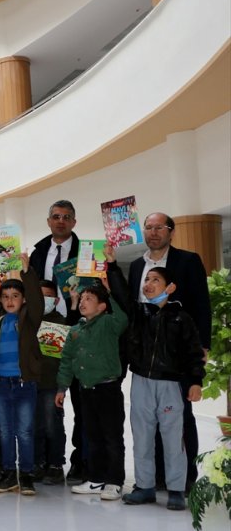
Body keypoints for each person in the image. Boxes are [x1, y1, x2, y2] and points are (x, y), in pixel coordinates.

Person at [127, 212, 212, 488]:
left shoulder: (187, 261)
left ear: (170, 231)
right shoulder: (137, 265)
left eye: (159, 227)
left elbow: (201, 304)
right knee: (148, 420)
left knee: (180, 418)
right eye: (148, 228)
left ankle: (184, 479)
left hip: (177, 353)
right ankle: (156, 479)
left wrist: (202, 345)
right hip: (145, 356)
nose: (153, 232)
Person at [114, 264, 205, 511]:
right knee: (142, 436)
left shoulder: (181, 318)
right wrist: (112, 265)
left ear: (170, 287)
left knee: (173, 437)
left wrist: (196, 381)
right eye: (147, 279)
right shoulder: (139, 313)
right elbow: (122, 294)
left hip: (171, 384)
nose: (149, 284)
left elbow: (194, 354)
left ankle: (176, 489)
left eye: (155, 280)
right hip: (141, 382)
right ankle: (145, 487)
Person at [56, 252, 129, 502]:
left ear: (102, 306)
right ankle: (96, 478)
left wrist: (110, 293)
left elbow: (123, 319)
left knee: (111, 437)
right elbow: (66, 361)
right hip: (86, 390)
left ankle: (115, 481)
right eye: (83, 298)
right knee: (92, 436)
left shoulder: (109, 323)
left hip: (107, 390)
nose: (84, 301)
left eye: (90, 298)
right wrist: (62, 388)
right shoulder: (75, 330)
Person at [28, 199, 85, 484]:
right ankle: (44, 462)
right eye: (56, 216)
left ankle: (78, 463)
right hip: (44, 336)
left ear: (74, 222)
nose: (61, 221)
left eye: (66, 217)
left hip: (76, 330)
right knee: (47, 409)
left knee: (82, 410)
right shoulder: (39, 252)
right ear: (48, 221)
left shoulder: (86, 253)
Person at [0, 253, 42, 496]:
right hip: (1, 384)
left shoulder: (29, 318)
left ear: (23, 299)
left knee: (24, 431)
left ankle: (26, 474)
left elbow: (37, 302)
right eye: (5, 297)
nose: (10, 300)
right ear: (0, 300)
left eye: (15, 296)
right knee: (4, 430)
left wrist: (27, 272)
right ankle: (7, 473)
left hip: (25, 384)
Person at [34, 280, 79, 485]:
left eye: (49, 296)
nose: (44, 300)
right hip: (29, 383)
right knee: (34, 426)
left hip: (52, 384)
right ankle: (37, 463)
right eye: (40, 295)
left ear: (57, 299)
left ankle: (55, 464)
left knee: (52, 425)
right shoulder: (27, 319)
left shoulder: (61, 323)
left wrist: (63, 385)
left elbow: (68, 356)